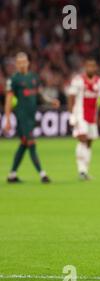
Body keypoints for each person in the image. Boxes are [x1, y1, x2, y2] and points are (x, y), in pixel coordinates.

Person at [4, 52, 60, 183]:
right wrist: (7, 119)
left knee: (24, 144)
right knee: (31, 143)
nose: (22, 64)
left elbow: (39, 94)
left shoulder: (33, 77)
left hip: (31, 116)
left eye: (24, 61)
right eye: (19, 62)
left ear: (28, 63)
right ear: (16, 65)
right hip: (22, 117)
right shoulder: (13, 80)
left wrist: (50, 101)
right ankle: (42, 174)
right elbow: (8, 99)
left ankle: (12, 175)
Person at [67, 58, 100, 180]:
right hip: (80, 114)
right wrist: (72, 114)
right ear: (85, 67)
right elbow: (71, 97)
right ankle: (81, 170)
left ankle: (85, 170)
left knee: (89, 142)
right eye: (88, 66)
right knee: (82, 139)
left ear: (96, 68)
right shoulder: (78, 81)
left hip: (92, 116)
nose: (91, 68)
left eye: (93, 66)